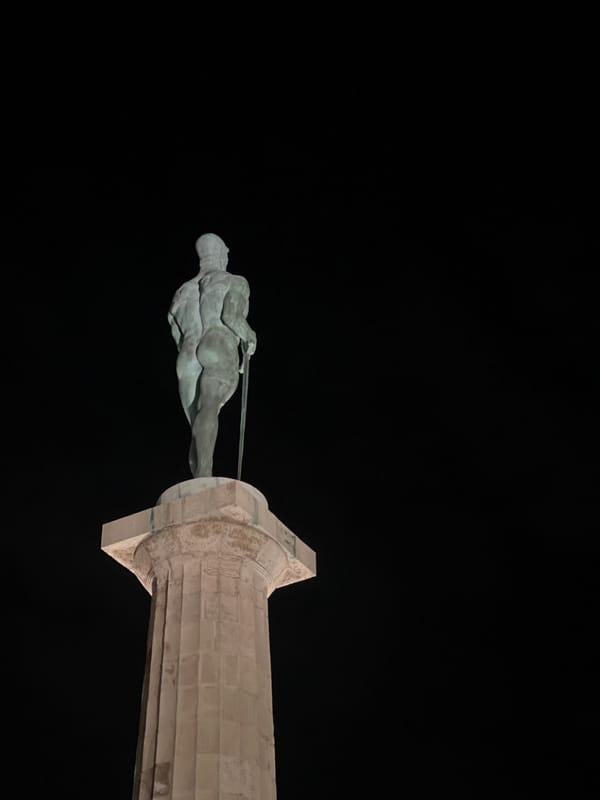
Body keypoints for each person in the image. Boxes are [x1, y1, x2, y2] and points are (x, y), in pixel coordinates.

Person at [168, 233, 256, 477]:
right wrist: (249, 336)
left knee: (197, 424)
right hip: (216, 342)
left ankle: (198, 477)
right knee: (208, 407)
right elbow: (231, 316)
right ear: (221, 254)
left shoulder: (181, 293)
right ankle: (204, 476)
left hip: (187, 354)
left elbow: (177, 333)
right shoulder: (233, 281)